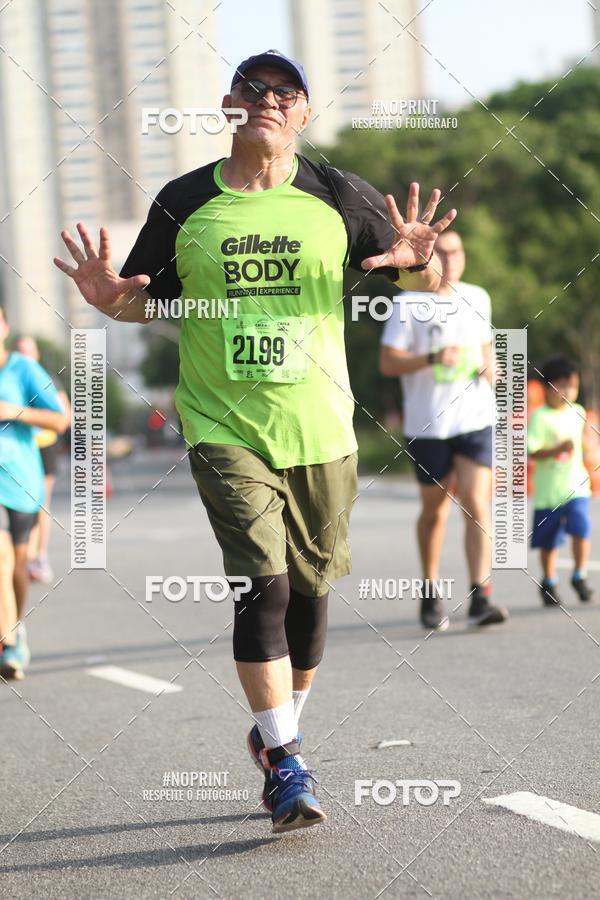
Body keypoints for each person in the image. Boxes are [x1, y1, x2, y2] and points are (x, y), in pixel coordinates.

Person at [54, 49, 456, 832]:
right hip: (222, 423)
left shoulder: (340, 195)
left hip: (321, 424)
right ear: (230, 104)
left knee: (309, 599)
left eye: (286, 92)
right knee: (262, 584)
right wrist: (107, 303)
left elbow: (417, 283)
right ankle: (290, 759)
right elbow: (145, 300)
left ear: (303, 113)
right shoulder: (183, 200)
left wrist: (423, 264)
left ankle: (275, 732)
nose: (269, 100)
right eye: (254, 88)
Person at [380, 230, 507, 630]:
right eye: (442, 253)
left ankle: (480, 596)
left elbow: (489, 355)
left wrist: (493, 371)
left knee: (476, 502)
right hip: (429, 422)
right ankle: (431, 591)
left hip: (475, 418)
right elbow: (388, 363)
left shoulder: (479, 296)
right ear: (428, 258)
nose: (450, 259)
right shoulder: (408, 303)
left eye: (456, 251)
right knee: (435, 511)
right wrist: (432, 357)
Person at [0, 310, 68, 680]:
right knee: (0, 554)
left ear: (6, 327)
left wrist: (14, 411)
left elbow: (59, 419)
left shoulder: (22, 369)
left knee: (17, 568)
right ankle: (8, 642)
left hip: (21, 478)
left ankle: (15, 628)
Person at [527, 357, 593, 606]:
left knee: (581, 528)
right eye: (561, 386)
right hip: (548, 492)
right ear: (546, 387)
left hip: (576, 486)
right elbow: (531, 451)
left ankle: (579, 574)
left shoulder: (579, 412)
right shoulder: (540, 418)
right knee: (549, 540)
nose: (567, 392)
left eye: (572, 387)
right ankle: (549, 580)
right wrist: (555, 450)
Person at [14, 335, 71, 585]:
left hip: (45, 444)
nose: (25, 355)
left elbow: (64, 415)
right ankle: (22, 554)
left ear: (36, 354)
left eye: (29, 350)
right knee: (23, 501)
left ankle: (39, 556)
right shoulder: (11, 376)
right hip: (20, 447)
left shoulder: (47, 379)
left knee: (40, 501)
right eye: (20, 351)